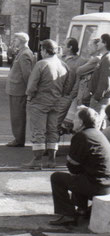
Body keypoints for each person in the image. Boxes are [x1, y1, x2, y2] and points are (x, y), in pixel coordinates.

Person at [49, 106, 110, 226]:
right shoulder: (98, 134)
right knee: (80, 176)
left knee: (57, 178)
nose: (73, 121)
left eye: (75, 119)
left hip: (98, 185)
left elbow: (72, 166)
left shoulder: (82, 136)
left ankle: (67, 215)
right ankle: (82, 210)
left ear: (81, 122)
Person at [23, 39, 69, 169]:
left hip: (39, 102)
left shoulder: (41, 64)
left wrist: (29, 96)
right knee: (52, 130)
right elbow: (67, 86)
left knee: (38, 130)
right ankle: (51, 160)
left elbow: (32, 86)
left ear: (44, 50)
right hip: (56, 102)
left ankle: (37, 161)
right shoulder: (63, 65)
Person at [61, 38, 102, 133]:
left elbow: (79, 71)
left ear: (96, 47)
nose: (88, 48)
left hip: (84, 94)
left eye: (90, 45)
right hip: (81, 93)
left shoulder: (95, 60)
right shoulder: (90, 60)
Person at [6, 32, 34, 147]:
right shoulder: (23, 52)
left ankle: (18, 139)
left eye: (16, 39)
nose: (14, 41)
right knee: (16, 115)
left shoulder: (25, 54)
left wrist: (29, 91)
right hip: (16, 89)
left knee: (17, 115)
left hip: (18, 90)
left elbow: (27, 74)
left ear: (21, 41)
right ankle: (18, 138)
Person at [88, 33, 110, 129]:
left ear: (105, 43)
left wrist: (97, 97)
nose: (98, 43)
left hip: (101, 99)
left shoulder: (108, 59)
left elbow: (105, 81)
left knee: (93, 125)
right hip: (102, 98)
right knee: (100, 125)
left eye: (100, 41)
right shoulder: (108, 57)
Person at [57, 37, 86, 135]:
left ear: (70, 47)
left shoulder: (80, 61)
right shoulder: (59, 58)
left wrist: (71, 96)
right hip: (55, 94)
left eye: (64, 44)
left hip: (66, 96)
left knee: (57, 122)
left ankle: (52, 147)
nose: (62, 46)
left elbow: (79, 80)